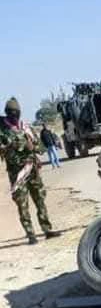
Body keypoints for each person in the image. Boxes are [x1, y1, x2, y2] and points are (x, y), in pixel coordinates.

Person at [0, 98, 60, 244]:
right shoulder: (2, 130)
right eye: (11, 113)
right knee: (22, 203)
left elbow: (41, 148)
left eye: (16, 113)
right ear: (7, 113)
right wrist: (12, 145)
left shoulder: (26, 127)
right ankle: (30, 233)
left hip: (32, 169)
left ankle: (47, 229)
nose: (14, 116)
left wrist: (32, 146)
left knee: (40, 199)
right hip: (17, 173)